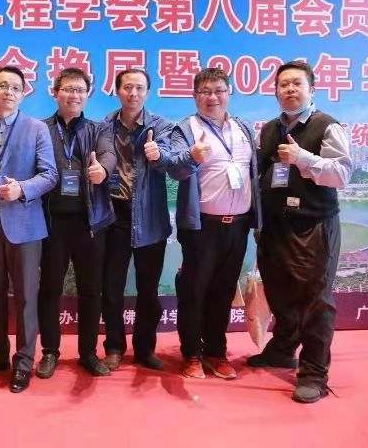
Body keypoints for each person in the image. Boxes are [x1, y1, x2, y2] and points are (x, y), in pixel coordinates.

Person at [251, 60, 351, 404]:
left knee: (314, 301)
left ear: (312, 89)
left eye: (297, 83)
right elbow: (258, 173)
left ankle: (314, 373)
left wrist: (302, 158)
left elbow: (341, 174)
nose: (290, 89)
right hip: (274, 226)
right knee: (280, 293)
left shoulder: (327, 126)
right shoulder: (268, 130)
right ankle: (282, 349)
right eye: (283, 84)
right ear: (275, 91)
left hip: (313, 224)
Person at [0, 66, 57, 393]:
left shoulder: (36, 129)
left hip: (25, 224)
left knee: (26, 297)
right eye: (3, 85)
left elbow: (50, 175)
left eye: (16, 87)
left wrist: (22, 189)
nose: (9, 91)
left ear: (23, 94)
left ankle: (23, 362)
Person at [167, 68, 261, 380]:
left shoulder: (243, 128)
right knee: (194, 291)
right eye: (205, 91)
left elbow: (253, 173)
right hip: (201, 227)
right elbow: (174, 169)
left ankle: (216, 352)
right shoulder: (185, 128)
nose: (212, 97)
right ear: (195, 95)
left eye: (219, 90)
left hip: (238, 226)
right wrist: (192, 156)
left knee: (224, 291)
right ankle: (192, 354)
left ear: (229, 93)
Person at [36, 67, 116, 379]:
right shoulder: (41, 129)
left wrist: (103, 171)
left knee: (91, 290)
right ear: (55, 93)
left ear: (87, 95)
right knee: (50, 289)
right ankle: (50, 352)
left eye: (80, 90)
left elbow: (108, 155)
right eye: (68, 89)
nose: (74, 95)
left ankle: (88, 353)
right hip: (51, 223)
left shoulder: (98, 129)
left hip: (90, 223)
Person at [102, 68, 173, 371]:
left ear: (148, 92)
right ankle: (114, 346)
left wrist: (159, 155)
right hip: (114, 215)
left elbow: (172, 162)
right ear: (117, 91)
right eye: (127, 87)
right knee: (111, 287)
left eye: (140, 88)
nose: (133, 93)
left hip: (150, 215)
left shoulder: (162, 126)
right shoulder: (103, 126)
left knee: (148, 289)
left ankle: (145, 349)